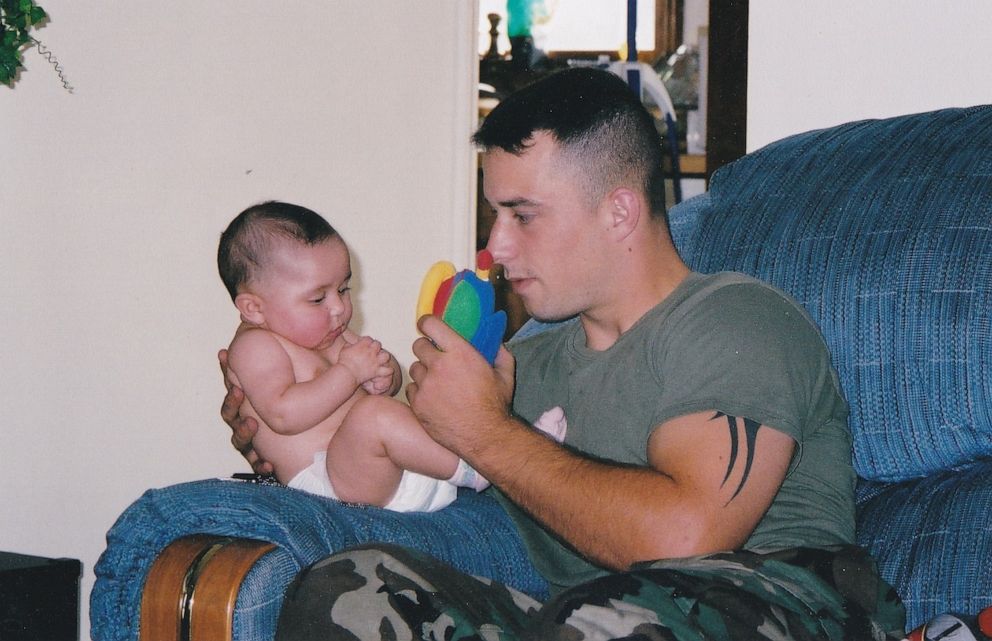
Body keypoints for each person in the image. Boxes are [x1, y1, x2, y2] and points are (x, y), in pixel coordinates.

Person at [222, 69, 905, 640]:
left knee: (598, 618)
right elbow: (397, 452)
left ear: (617, 211)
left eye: (523, 214)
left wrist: (487, 432)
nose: (497, 247)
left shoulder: (737, 320)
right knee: (347, 590)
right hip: (589, 618)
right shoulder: (531, 361)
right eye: (494, 214)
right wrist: (298, 437)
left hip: (787, 600)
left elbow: (689, 533)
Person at [217, 201, 490, 512]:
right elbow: (283, 414)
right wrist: (349, 372)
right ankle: (479, 465)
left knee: (424, 401)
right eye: (318, 298)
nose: (339, 308)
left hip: (391, 469)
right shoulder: (255, 346)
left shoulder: (331, 334)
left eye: (344, 289)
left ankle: (494, 447)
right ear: (254, 308)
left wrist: (385, 376)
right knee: (372, 416)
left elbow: (383, 377)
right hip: (330, 487)